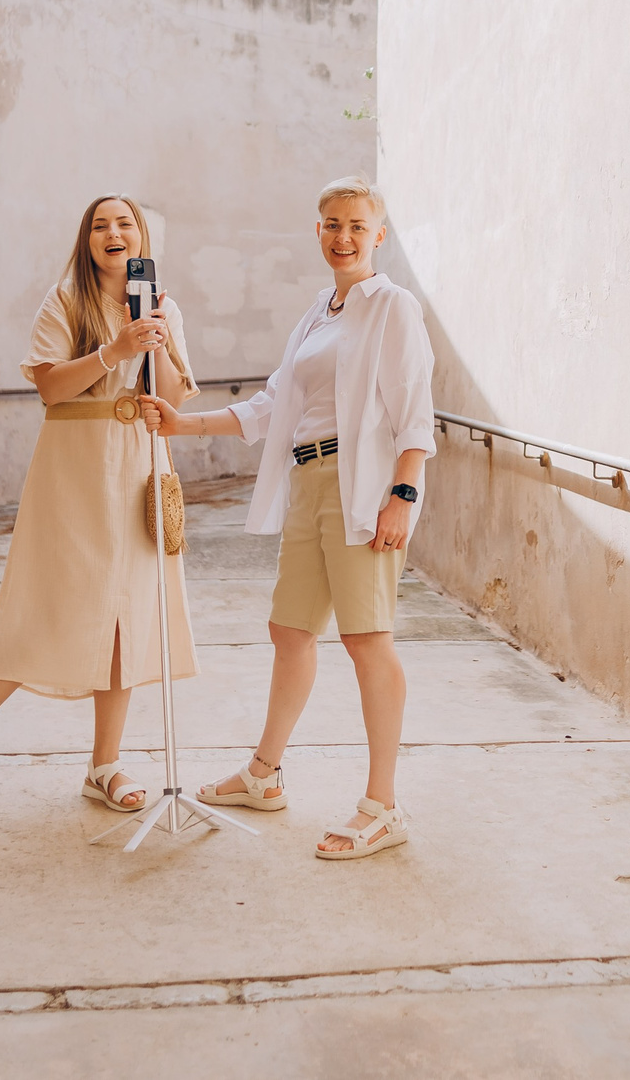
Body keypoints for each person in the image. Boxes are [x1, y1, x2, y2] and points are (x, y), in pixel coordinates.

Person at [141, 177, 434, 859]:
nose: (343, 236)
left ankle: (383, 805)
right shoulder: (318, 314)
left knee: (367, 638)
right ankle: (264, 775)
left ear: (378, 235)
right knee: (290, 628)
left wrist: (405, 491)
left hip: (365, 486)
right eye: (332, 223)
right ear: (318, 230)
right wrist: (184, 424)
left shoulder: (391, 306)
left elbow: (417, 408)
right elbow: (272, 405)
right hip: (310, 481)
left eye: (358, 225)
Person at [0, 194, 197, 822]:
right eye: (101, 225)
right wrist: (114, 351)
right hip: (75, 471)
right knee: (43, 611)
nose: (113, 232)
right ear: (87, 241)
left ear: (142, 237)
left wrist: (156, 339)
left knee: (126, 618)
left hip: (140, 466)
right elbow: (48, 387)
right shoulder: (66, 298)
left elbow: (172, 399)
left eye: (125, 224)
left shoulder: (163, 305)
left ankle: (105, 763)